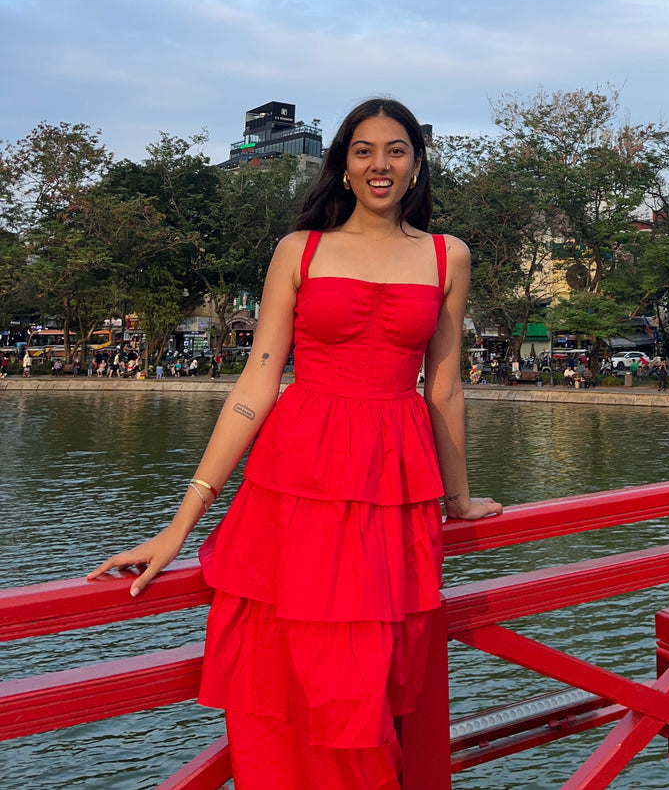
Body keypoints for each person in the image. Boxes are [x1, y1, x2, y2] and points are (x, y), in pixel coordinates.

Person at [90, 98, 502, 790]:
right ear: (342, 163)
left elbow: (445, 388)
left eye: (396, 149)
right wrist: (179, 525)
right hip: (297, 475)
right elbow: (255, 384)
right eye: (364, 149)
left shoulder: (446, 255)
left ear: (417, 162)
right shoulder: (300, 249)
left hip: (391, 482)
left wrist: (456, 498)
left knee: (367, 675)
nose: (380, 163)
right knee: (283, 668)